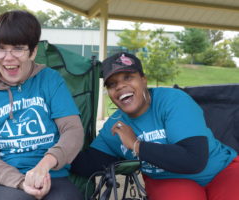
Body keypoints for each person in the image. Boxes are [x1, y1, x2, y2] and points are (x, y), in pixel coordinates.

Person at [71, 52, 239, 200]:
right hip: (169, 179)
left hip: (221, 170)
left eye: (128, 77)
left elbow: (194, 159)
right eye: (112, 84)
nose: (120, 86)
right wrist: (50, 155)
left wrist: (136, 145)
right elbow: (87, 164)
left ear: (144, 81)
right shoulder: (115, 127)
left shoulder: (172, 101)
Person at [0, 10, 84, 200]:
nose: (8, 57)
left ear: (33, 51)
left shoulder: (50, 80)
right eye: (0, 48)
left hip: (52, 176)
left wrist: (44, 166)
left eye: (18, 48)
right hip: (2, 181)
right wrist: (21, 182)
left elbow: (73, 131)